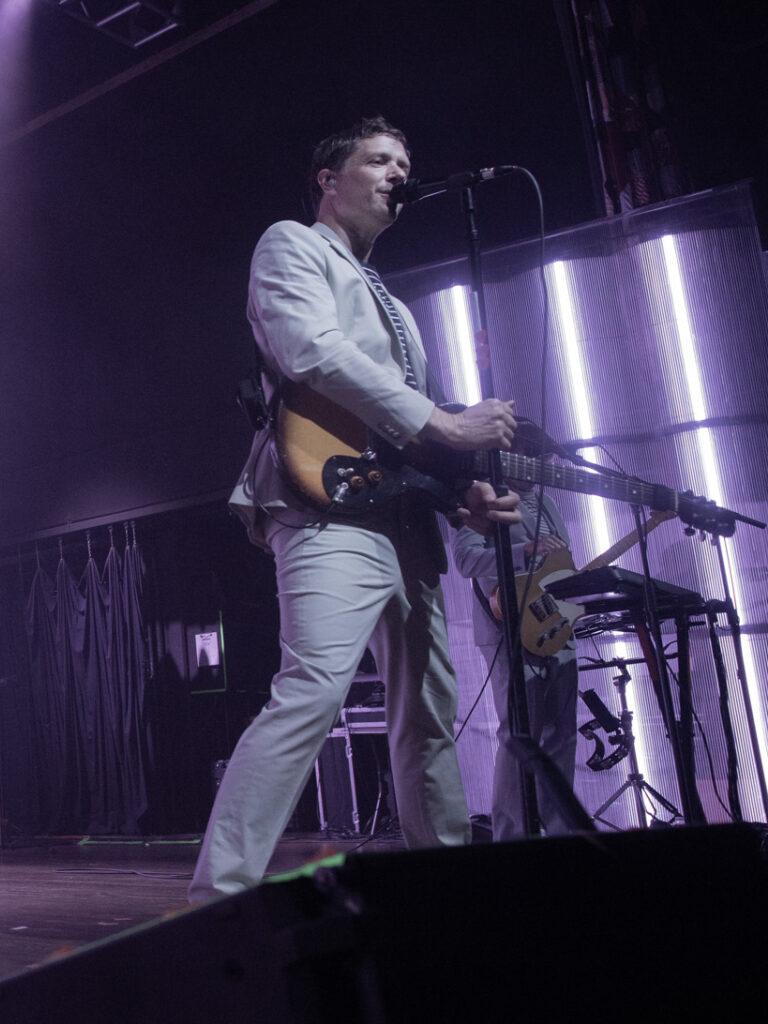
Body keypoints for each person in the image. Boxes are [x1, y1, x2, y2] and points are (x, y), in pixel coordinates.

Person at [190, 117, 521, 902]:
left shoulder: (397, 309)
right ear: (328, 180)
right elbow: (310, 350)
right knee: (311, 690)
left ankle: (445, 894)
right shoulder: (291, 246)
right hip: (325, 508)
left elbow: (409, 441)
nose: (397, 173)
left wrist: (461, 495)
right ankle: (220, 899)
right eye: (378, 160)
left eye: (404, 162)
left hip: (403, 523)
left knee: (429, 716)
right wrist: (443, 422)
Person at [453, 480, 579, 841]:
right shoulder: (486, 499)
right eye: (536, 456)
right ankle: (511, 837)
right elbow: (466, 560)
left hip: (556, 623)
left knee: (562, 734)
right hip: (509, 629)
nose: (546, 462)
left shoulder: (546, 501)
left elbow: (557, 562)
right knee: (521, 735)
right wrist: (524, 550)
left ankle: (561, 831)